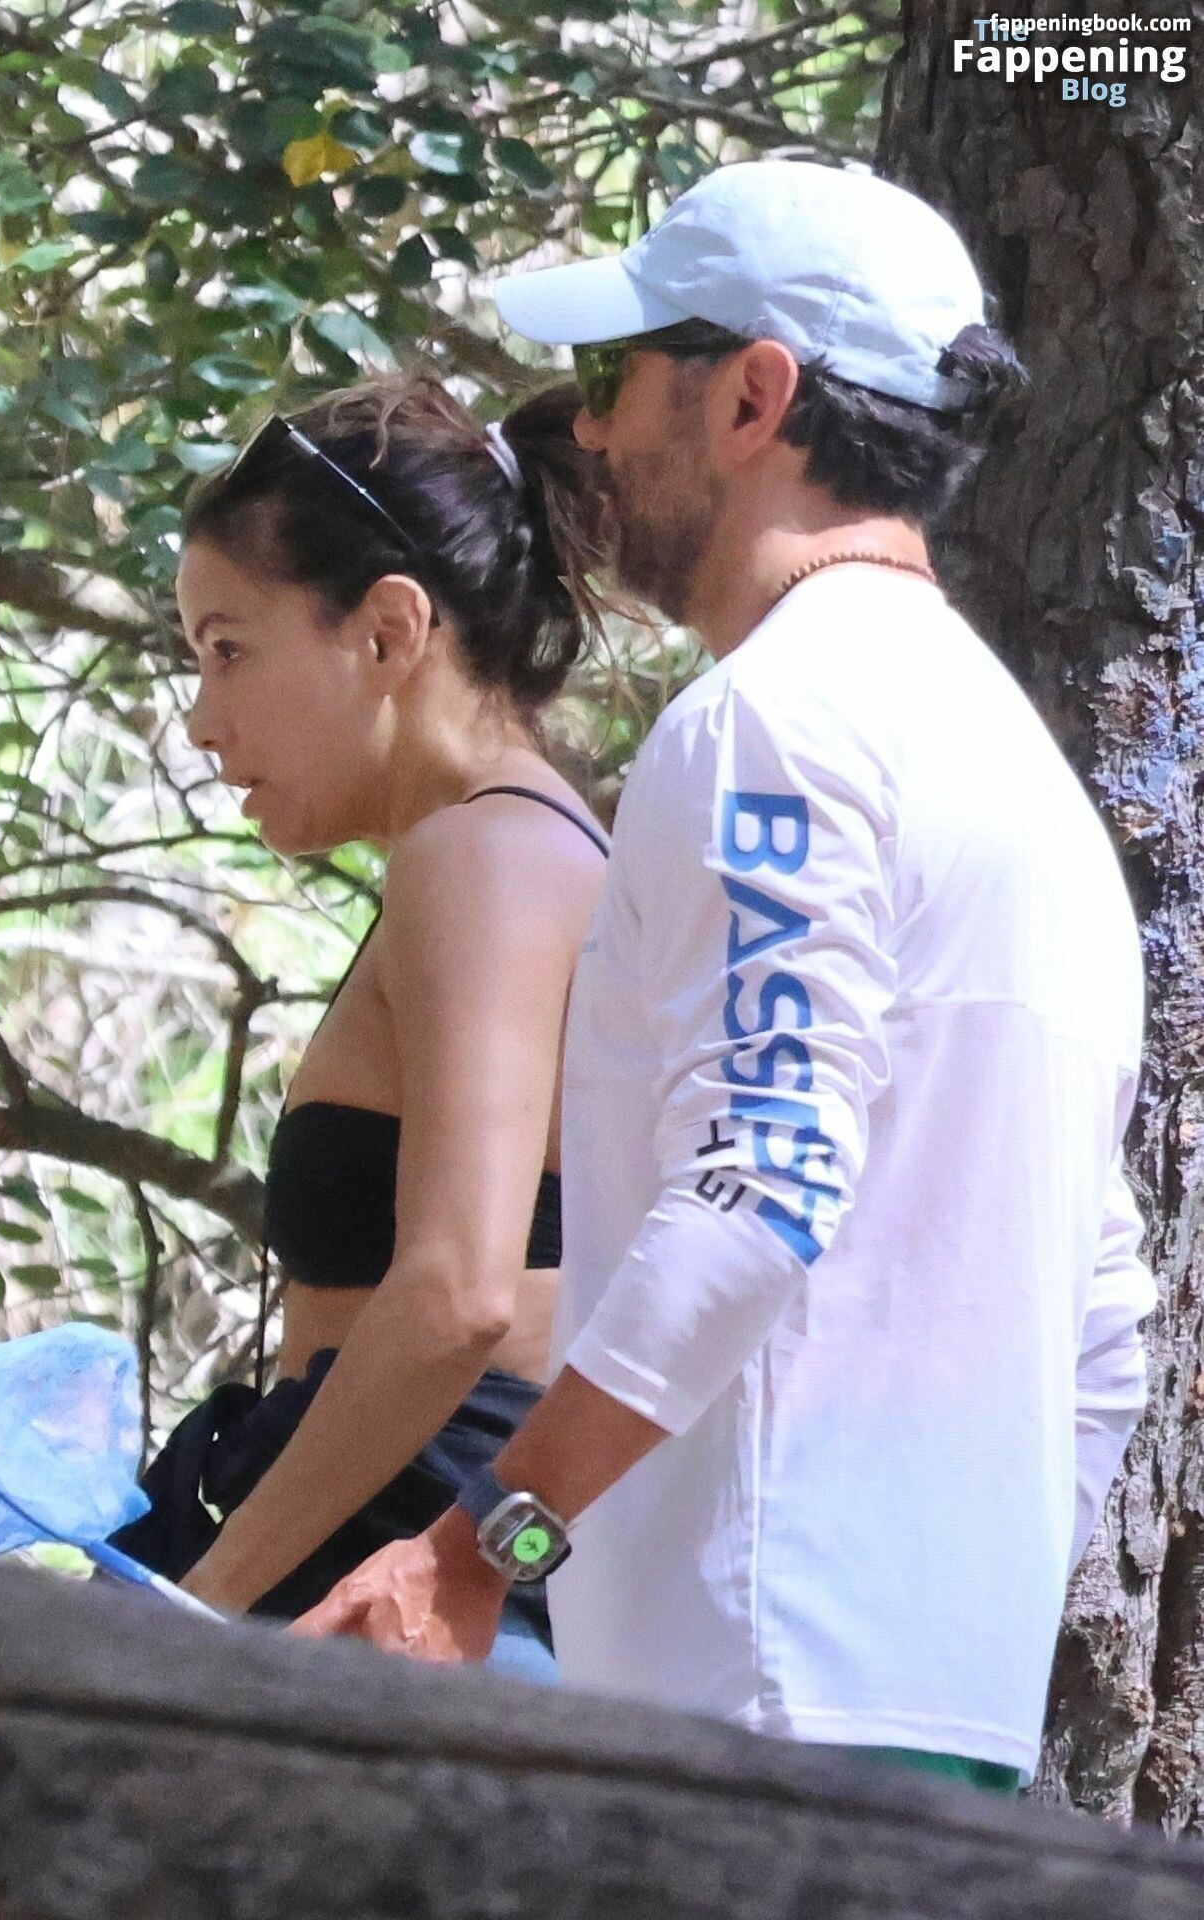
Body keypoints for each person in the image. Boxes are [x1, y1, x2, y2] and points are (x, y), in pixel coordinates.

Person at [292, 162, 1157, 1793]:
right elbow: (1104, 1322)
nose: (589, 430)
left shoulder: (773, 722)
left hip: (750, 1691)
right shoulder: (1020, 776)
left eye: (618, 375)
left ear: (755, 396)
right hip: (935, 1711)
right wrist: (946, 1611)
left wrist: (478, 1547)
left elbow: (760, 1185)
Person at [111, 373, 618, 1683]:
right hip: (403, 1558)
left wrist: (203, 1608)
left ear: (390, 629)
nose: (202, 722)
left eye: (229, 650)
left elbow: (456, 1295)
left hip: (402, 1595)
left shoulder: (483, 854)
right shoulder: (513, 846)